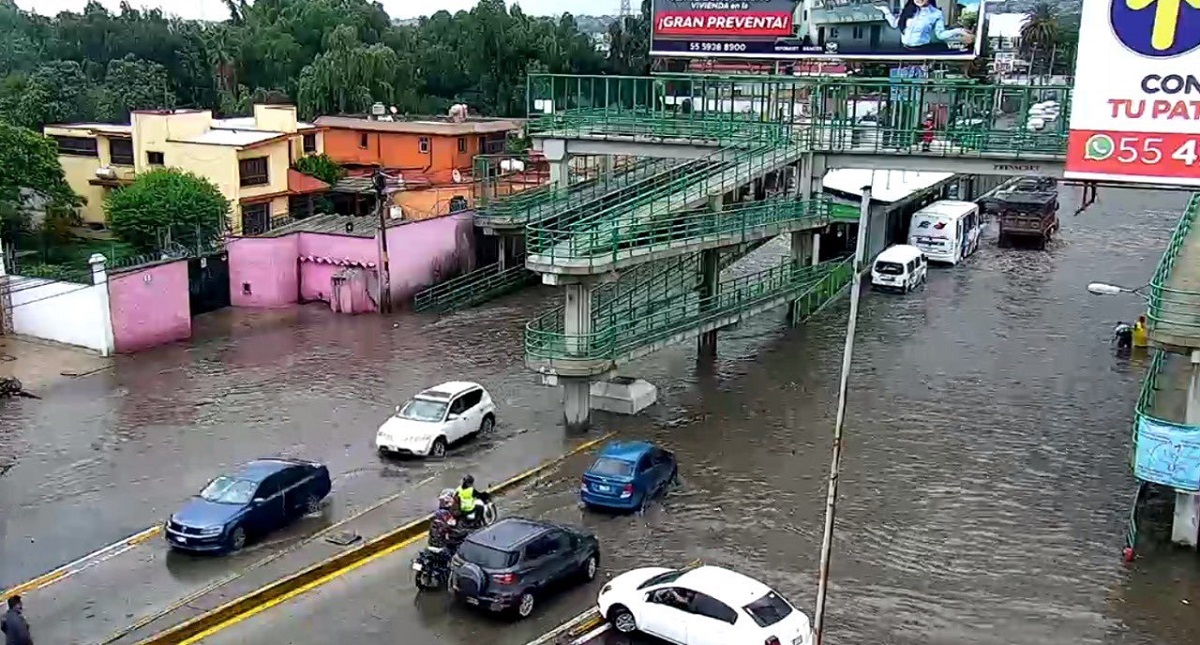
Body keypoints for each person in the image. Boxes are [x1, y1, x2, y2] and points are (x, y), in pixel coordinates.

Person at [875, 0, 976, 54]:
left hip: (922, 49)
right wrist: (885, 10)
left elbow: (940, 35)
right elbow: (894, 25)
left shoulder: (936, 14)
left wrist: (959, 30)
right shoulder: (908, 10)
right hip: (904, 49)